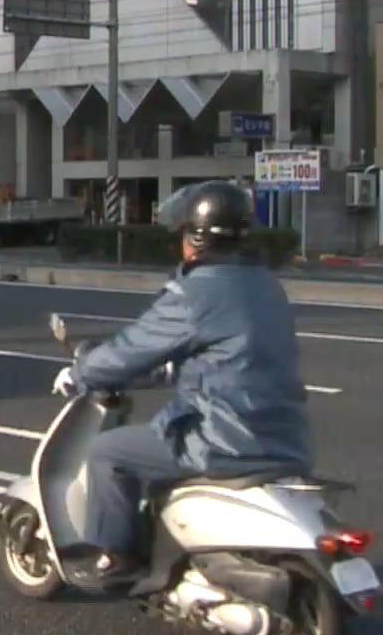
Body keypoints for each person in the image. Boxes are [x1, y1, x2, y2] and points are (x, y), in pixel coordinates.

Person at [52, 180, 313, 586]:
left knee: (108, 452)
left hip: (224, 437)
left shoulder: (195, 292)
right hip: (286, 436)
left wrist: (81, 371)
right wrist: (171, 370)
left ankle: (118, 558)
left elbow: (130, 351)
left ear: (195, 238)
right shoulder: (267, 285)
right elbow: (229, 354)